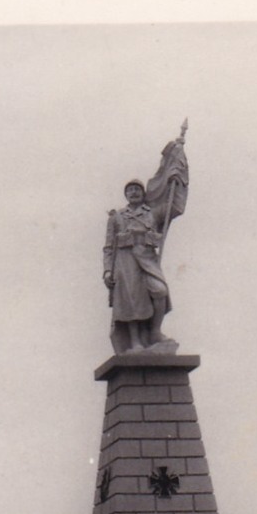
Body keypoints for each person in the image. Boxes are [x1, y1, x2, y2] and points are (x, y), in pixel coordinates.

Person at [104, 124, 189, 355]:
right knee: (131, 301)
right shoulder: (117, 217)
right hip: (125, 261)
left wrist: (174, 175)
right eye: (129, 190)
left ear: (143, 193)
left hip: (148, 260)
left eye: (137, 189)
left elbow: (173, 208)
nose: (133, 193)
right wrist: (107, 272)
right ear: (125, 194)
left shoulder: (152, 213)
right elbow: (108, 247)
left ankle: (154, 332)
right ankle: (135, 343)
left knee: (159, 291)